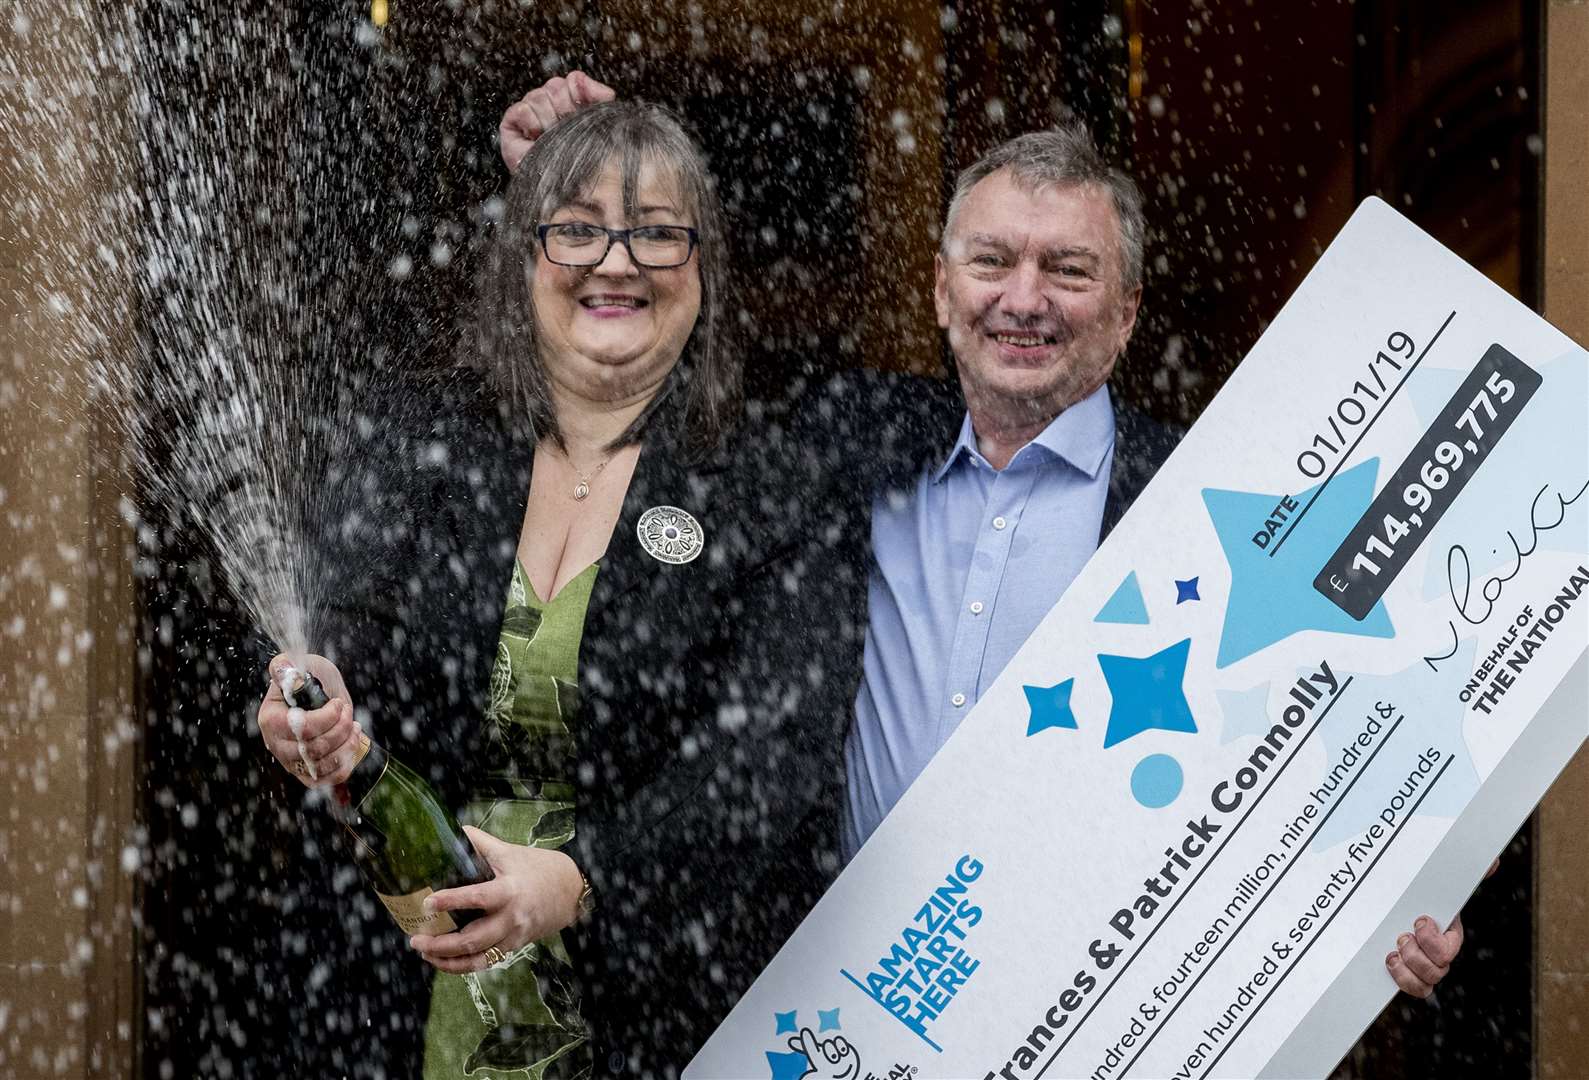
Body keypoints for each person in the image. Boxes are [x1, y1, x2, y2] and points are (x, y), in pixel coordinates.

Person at [499, 78, 1475, 1009]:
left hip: (1090, 1012)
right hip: (840, 1007)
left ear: (1127, 310)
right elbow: (654, 337)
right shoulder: (840, 442)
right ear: (938, 291)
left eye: (1067, 269)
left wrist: (1394, 886)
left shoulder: (1206, 508)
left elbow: (1327, 732)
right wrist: (566, 185)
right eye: (991, 261)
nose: (1023, 298)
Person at [257, 100, 946, 1077]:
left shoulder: (771, 484)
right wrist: (306, 706)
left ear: (702, 268)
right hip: (389, 998)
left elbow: (765, 767)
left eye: (656, 233)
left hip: (659, 1011)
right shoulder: (419, 440)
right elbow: (337, 632)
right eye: (576, 228)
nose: (614, 262)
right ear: (525, 258)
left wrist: (582, 879)